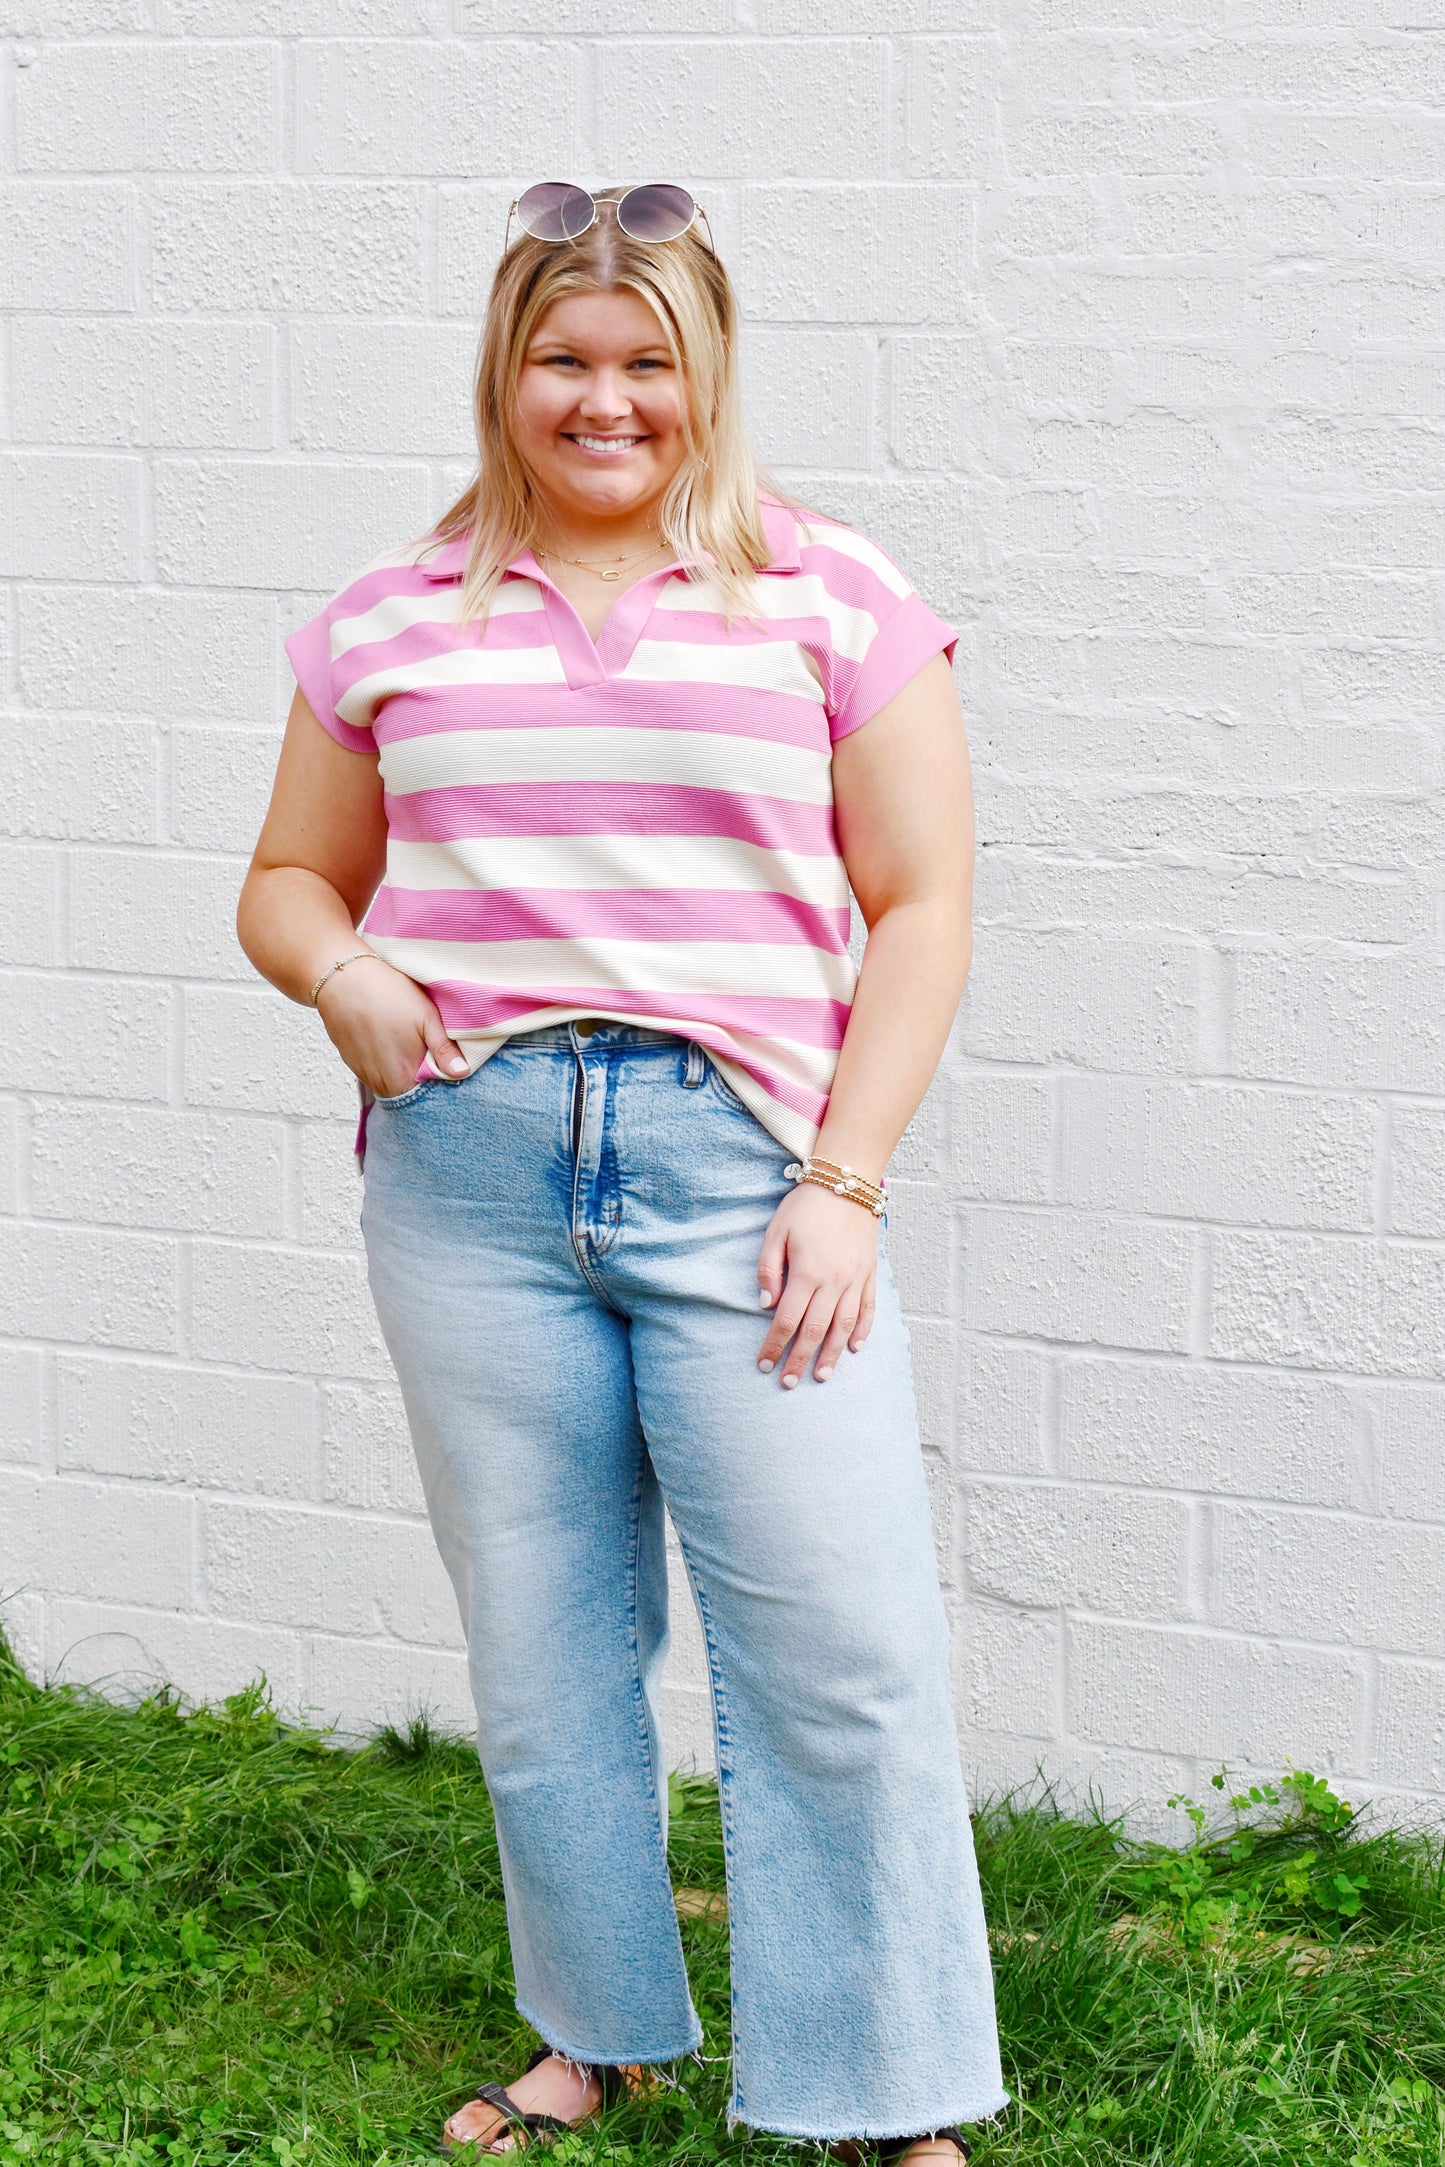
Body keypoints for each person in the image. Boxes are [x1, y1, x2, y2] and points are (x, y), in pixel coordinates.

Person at [238, 180, 1006, 2161]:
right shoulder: (394, 615)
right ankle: (597, 2034)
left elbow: (922, 904)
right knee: (547, 1650)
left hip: (746, 1172)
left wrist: (845, 1180)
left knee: (840, 1643)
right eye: (562, 359)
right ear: (504, 378)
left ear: (707, 374)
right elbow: (287, 877)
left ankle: (887, 2090)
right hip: (471, 1175)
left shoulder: (827, 594)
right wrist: (343, 977)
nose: (604, 399)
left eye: (645, 360)